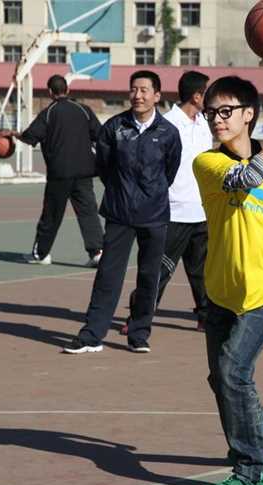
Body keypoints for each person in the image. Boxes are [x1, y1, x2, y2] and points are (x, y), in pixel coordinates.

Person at [193, 76, 263, 485]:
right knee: (221, 378)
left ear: (248, 114)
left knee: (233, 373)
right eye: (210, 113)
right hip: (221, 290)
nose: (216, 120)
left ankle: (252, 471)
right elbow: (249, 176)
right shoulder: (208, 164)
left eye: (225, 111)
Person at [64, 70, 182, 354]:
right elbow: (104, 167)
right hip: (120, 213)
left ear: (157, 95)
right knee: (108, 275)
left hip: (154, 215)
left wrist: (150, 194)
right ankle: (92, 335)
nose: (137, 95)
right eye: (133, 89)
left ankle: (139, 334)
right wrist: (122, 192)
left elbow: (170, 170)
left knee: (149, 277)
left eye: (144, 90)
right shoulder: (114, 127)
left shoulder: (168, 133)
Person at [121, 71, 213, 334]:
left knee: (203, 271)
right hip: (173, 211)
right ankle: (138, 318)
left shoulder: (205, 123)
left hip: (201, 210)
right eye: (208, 93)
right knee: (159, 270)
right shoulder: (167, 124)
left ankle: (206, 317)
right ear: (197, 96)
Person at [7, 74, 104, 267]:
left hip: (59, 173)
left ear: (50, 92)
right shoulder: (84, 110)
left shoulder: (49, 112)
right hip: (84, 172)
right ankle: (97, 253)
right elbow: (100, 135)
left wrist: (15, 134)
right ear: (68, 90)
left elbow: (31, 136)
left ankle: (41, 254)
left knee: (51, 215)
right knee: (88, 213)